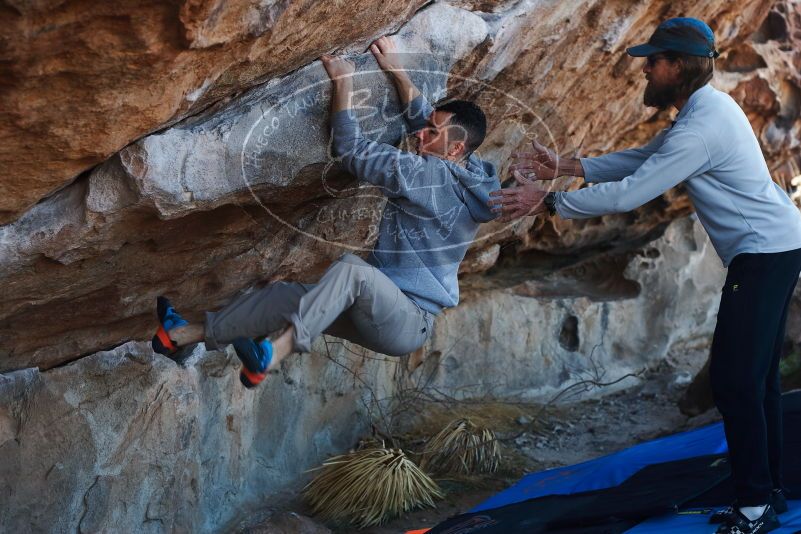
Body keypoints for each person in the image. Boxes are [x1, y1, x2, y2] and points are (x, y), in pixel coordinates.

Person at [488, 17, 801, 534]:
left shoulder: (702, 125)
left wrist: (547, 202)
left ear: (678, 65)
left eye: (653, 61)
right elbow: (643, 157)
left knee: (734, 380)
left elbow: (633, 191)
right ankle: (765, 494)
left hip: (765, 252)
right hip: (777, 245)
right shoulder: (706, 109)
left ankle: (754, 505)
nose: (645, 72)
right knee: (757, 379)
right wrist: (565, 166)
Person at [151, 36, 499, 390]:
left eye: (432, 132)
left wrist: (343, 81)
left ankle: (273, 352)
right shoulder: (473, 174)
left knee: (352, 272)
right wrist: (396, 71)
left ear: (455, 148)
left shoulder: (426, 174)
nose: (421, 135)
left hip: (407, 318)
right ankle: (179, 336)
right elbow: (426, 121)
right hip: (383, 310)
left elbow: (351, 149)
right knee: (283, 297)